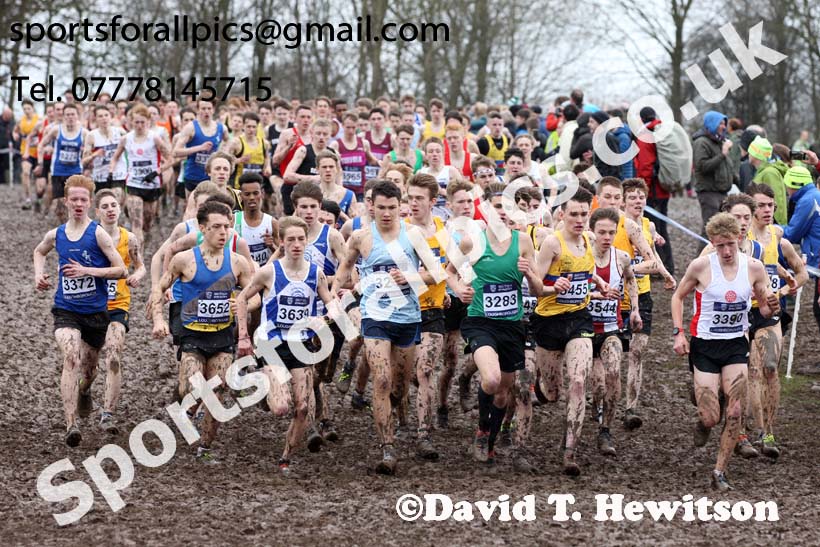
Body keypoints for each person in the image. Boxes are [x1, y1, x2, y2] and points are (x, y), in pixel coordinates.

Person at [331, 179, 440, 474]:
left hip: (407, 318)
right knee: (381, 379)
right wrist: (331, 298)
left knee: (400, 387)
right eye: (381, 208)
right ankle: (387, 447)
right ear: (371, 206)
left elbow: (436, 272)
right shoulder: (360, 237)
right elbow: (344, 268)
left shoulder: (414, 234)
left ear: (401, 207)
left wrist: (412, 278)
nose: (387, 213)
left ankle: (402, 413)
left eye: (393, 208)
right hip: (374, 317)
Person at [671, 213, 779, 491]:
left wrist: (772, 306)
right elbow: (677, 296)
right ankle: (704, 420)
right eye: (720, 246)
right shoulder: (700, 267)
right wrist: (678, 333)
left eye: (731, 243)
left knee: (735, 412)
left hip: (735, 345)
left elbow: (764, 308)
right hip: (705, 345)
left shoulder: (754, 267)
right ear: (712, 244)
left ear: (739, 238)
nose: (727, 251)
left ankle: (719, 471)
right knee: (711, 416)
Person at [446, 182, 542, 468]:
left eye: (508, 208)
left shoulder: (523, 242)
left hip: (512, 325)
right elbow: (449, 273)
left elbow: (537, 290)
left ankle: (488, 438)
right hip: (480, 322)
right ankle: (482, 430)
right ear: (486, 209)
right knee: (490, 379)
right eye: (498, 206)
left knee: (504, 393)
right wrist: (460, 288)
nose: (503, 212)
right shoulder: (472, 242)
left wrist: (529, 276)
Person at [150, 200, 254, 463]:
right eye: (216, 227)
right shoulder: (184, 260)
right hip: (192, 335)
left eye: (227, 227)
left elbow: (257, 295)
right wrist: (158, 320)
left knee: (215, 396)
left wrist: (241, 302)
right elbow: (159, 290)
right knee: (190, 390)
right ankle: (185, 413)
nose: (223, 232)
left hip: (221, 335)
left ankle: (205, 449)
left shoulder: (238, 262)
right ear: (202, 228)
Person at [236, 216, 335, 475]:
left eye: (301, 239)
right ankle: (260, 377)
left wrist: (323, 318)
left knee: (303, 407)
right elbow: (242, 299)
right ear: (281, 242)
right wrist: (244, 337)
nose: (296, 244)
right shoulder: (270, 272)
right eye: (290, 239)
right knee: (281, 407)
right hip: (271, 344)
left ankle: (286, 456)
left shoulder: (316, 274)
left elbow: (331, 305)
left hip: (300, 345)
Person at [33, 175, 128, 446]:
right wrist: (39, 275)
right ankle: (71, 424)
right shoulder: (57, 234)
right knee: (71, 356)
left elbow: (121, 269)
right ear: (66, 201)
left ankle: (85, 391)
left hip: (96, 314)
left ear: (89, 203)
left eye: (83, 200)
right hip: (66, 310)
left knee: (89, 369)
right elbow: (39, 252)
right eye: (73, 199)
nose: (78, 203)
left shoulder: (97, 234)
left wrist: (87, 271)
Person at [532, 187, 604, 475]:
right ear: (561, 215)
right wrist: (553, 286)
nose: (579, 219)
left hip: (579, 318)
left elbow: (585, 273)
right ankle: (542, 389)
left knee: (578, 382)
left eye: (584, 214)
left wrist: (597, 283)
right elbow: (533, 286)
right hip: (547, 321)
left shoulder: (589, 239)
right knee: (552, 393)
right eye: (573, 214)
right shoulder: (552, 243)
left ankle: (569, 450)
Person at [744, 184, 807, 458]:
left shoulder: (779, 238)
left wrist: (782, 290)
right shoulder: (739, 238)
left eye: (770, 205)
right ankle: (750, 429)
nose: (767, 210)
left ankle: (767, 432)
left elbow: (801, 273)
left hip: (770, 313)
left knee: (769, 368)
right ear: (750, 209)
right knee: (752, 371)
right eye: (761, 206)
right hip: (743, 314)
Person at [587, 207, 640, 456]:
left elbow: (631, 279)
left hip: (611, 328)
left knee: (614, 373)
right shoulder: (583, 257)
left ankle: (605, 431)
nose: (607, 237)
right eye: (602, 232)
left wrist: (636, 310)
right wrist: (595, 294)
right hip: (584, 331)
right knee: (597, 386)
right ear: (592, 232)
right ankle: (594, 406)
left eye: (611, 232)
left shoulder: (622, 258)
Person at [94, 189, 146, 435]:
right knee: (87, 365)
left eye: (114, 205)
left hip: (118, 306)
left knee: (113, 356)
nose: (111, 209)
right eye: (105, 206)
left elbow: (141, 266)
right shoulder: (90, 237)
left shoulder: (130, 238)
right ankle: (84, 389)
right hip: (90, 308)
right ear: (98, 212)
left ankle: (107, 413)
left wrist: (136, 275)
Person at [405, 173, 449, 459]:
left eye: (419, 199)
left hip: (433, 311)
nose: (413, 203)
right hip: (403, 311)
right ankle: (400, 419)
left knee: (426, 371)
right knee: (402, 379)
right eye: (410, 198)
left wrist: (445, 287)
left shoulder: (443, 229)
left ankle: (424, 433)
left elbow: (452, 265)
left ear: (433, 201)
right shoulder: (401, 230)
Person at [110, 104, 172, 243]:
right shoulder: (126, 139)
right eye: (136, 122)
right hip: (134, 184)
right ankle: (138, 260)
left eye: (142, 122)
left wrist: (157, 172)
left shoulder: (154, 138)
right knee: (136, 225)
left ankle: (147, 233)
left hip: (152, 185)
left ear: (148, 122)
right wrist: (112, 169)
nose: (139, 125)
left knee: (147, 222)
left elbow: (170, 159)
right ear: (131, 122)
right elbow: (115, 157)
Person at [781, 162, 820, 338]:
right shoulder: (813, 195)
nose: (787, 191)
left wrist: (771, 229)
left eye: (788, 186)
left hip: (817, 258)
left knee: (818, 309)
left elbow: (793, 233)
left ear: (795, 185)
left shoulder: (807, 201)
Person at [36, 103, 90, 224]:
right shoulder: (56, 130)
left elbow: (90, 150)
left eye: (72, 114)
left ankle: (77, 226)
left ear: (77, 116)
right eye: (67, 114)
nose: (70, 117)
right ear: (64, 116)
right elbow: (41, 145)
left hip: (75, 171)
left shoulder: (84, 132)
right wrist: (40, 163)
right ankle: (66, 227)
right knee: (60, 206)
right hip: (58, 171)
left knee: (75, 201)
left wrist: (87, 160)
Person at [692, 111, 735, 246]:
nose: (723, 127)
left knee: (722, 230)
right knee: (710, 230)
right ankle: (700, 262)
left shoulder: (718, 141)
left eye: (724, 124)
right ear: (711, 124)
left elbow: (726, 167)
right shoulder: (701, 142)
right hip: (708, 193)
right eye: (720, 123)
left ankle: (718, 262)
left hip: (721, 193)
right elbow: (702, 166)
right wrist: (722, 154)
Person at [173, 99, 229, 195]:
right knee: (193, 208)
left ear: (213, 110)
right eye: (203, 108)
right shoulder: (190, 128)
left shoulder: (222, 128)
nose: (206, 111)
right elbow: (176, 152)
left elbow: (227, 141)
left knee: (213, 207)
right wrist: (199, 148)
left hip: (213, 177)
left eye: (209, 108)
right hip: (193, 176)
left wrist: (221, 153)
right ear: (198, 110)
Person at [83, 105, 128, 205]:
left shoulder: (120, 132)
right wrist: (94, 155)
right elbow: (84, 161)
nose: (104, 118)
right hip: (100, 175)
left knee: (115, 199)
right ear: (95, 118)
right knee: (105, 206)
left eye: (106, 115)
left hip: (119, 173)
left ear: (110, 116)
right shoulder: (91, 136)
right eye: (100, 116)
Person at [331, 112, 378, 199]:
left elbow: (373, 161)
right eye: (348, 127)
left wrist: (386, 163)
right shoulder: (335, 145)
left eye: (353, 127)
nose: (351, 131)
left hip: (360, 191)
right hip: (343, 190)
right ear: (342, 126)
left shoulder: (364, 143)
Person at [235, 173, 278, 268]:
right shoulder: (233, 221)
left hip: (264, 275)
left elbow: (282, 255)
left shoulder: (272, 222)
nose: (251, 198)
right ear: (240, 196)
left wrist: (271, 246)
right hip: (241, 277)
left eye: (255, 193)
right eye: (247, 194)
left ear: (262, 193)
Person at [418, 137, 462, 220]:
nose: (435, 154)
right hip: (428, 217)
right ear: (426, 155)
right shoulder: (421, 173)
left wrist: (441, 191)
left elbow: (461, 197)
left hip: (449, 216)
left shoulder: (451, 171)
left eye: (438, 151)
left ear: (443, 153)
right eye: (431, 151)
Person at [748, 136, 788, 225]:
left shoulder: (769, 173)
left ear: (756, 154)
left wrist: (776, 227)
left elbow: (776, 201)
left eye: (750, 151)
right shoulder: (763, 172)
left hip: (771, 227)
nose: (748, 153)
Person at [227, 112, 271, 188]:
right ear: (243, 126)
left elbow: (267, 157)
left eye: (254, 127)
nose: (251, 129)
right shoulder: (236, 142)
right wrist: (239, 160)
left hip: (258, 184)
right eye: (248, 126)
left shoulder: (264, 143)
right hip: (239, 185)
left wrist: (267, 167)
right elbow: (227, 160)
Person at [15, 99, 39, 209]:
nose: (26, 111)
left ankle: (39, 198)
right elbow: (15, 130)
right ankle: (28, 198)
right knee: (25, 173)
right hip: (26, 151)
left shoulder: (39, 119)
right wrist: (15, 134)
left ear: (33, 108)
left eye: (28, 108)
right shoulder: (21, 121)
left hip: (38, 152)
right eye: (24, 109)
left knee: (39, 180)